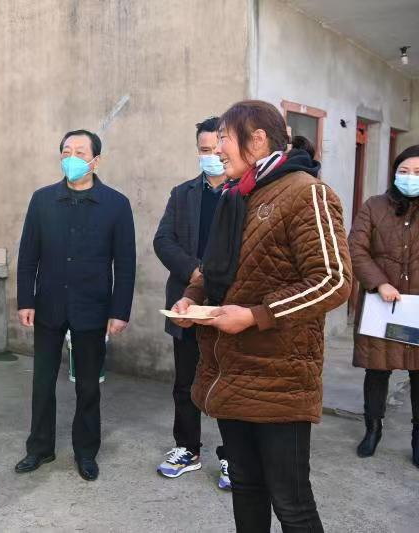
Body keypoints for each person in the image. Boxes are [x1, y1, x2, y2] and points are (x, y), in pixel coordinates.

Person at [171, 100, 351, 532]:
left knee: (292, 502)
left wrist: (256, 315)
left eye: (224, 139)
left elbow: (334, 280)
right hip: (230, 371)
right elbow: (214, 269)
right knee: (247, 486)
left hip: (279, 379)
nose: (217, 149)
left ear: (257, 139)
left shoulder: (306, 192)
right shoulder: (235, 195)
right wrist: (191, 299)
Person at [14, 129, 136, 481]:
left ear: (95, 160)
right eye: (66, 151)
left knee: (88, 385)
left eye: (80, 152)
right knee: (42, 382)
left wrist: (119, 311)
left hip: (92, 308)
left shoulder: (115, 204)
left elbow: (125, 263)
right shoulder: (42, 200)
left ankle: (86, 452)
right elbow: (28, 255)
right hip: (48, 305)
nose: (72, 157)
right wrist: (26, 299)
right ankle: (40, 448)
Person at [153, 116, 231, 489]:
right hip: (187, 300)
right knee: (185, 382)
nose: (211, 156)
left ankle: (233, 456)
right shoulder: (182, 193)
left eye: (217, 149)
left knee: (229, 383)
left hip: (230, 306)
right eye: (204, 150)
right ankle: (187, 448)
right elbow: (163, 240)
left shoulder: (244, 193)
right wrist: (194, 271)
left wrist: (217, 277)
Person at [348, 144, 419, 467]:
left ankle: (417, 436)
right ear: (394, 174)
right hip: (382, 305)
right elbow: (356, 248)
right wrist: (379, 282)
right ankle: (372, 429)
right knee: (377, 370)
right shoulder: (374, 206)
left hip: (416, 307)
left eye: (417, 172)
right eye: (404, 171)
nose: (410, 177)